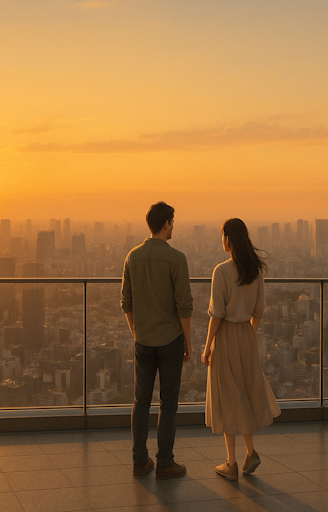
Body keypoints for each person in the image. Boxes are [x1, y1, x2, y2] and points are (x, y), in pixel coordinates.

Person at [201, 218, 281, 480]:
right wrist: (248, 335)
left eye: (222, 235)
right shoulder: (255, 271)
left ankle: (231, 463)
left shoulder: (221, 271)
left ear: (229, 239)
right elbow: (259, 312)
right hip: (247, 334)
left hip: (225, 335)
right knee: (244, 394)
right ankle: (250, 452)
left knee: (228, 397)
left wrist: (207, 347)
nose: (221, 240)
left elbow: (217, 314)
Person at [121, 201, 193, 479]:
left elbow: (125, 302)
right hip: (170, 340)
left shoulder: (132, 256)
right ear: (166, 224)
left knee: (141, 401)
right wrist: (188, 341)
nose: (173, 227)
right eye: (172, 222)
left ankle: (140, 461)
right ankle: (165, 462)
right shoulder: (177, 259)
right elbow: (184, 306)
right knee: (168, 402)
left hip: (144, 340)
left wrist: (136, 332)